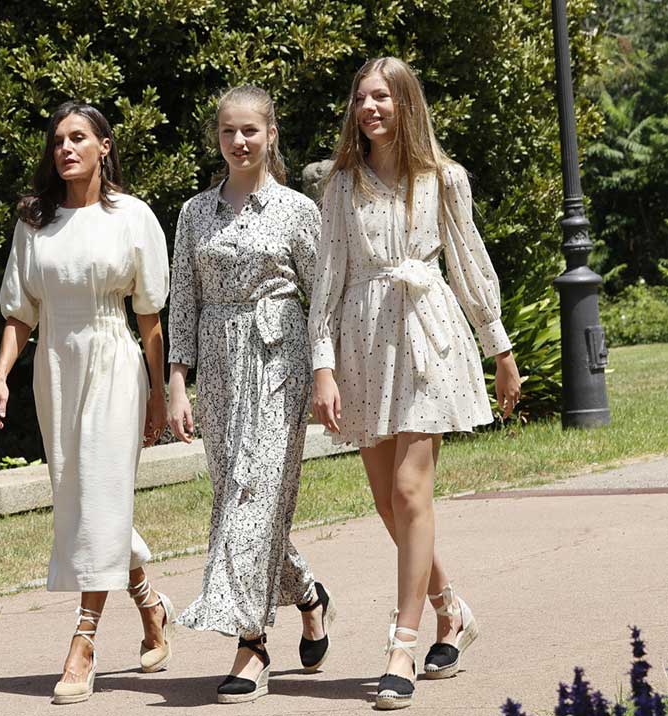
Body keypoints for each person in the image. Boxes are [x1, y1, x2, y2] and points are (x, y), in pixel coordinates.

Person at [309, 57, 522, 710]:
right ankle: (449, 610)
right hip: (362, 340)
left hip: (427, 336)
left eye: (382, 97)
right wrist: (322, 363)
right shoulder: (340, 184)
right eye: (360, 98)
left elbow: (469, 260)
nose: (368, 107)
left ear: (405, 103)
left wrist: (501, 348)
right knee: (386, 503)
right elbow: (327, 275)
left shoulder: (442, 177)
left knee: (410, 489)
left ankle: (401, 645)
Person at [0, 101, 173, 705]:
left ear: (104, 147)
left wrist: (160, 395)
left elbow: (149, 315)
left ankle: (84, 641)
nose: (66, 148)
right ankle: (150, 604)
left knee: (101, 491)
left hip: (116, 361)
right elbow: (20, 311)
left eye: (79, 138)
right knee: (79, 495)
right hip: (54, 367)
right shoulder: (34, 221)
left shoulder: (133, 217)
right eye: (58, 139)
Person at [166, 85, 337, 705]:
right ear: (218, 138)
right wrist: (176, 382)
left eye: (250, 131)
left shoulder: (298, 210)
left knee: (256, 499)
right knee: (241, 498)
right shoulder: (193, 213)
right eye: (228, 132)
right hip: (216, 365)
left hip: (279, 361)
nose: (239, 142)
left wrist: (324, 372)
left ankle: (251, 640)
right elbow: (182, 300)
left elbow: (321, 300)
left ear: (270, 134)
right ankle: (309, 593)